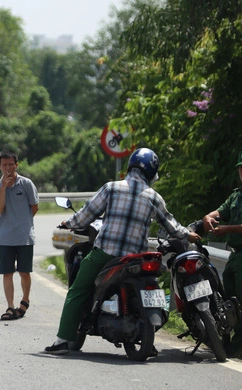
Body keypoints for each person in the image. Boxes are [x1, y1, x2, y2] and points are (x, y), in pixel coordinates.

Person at [44, 148, 202, 355]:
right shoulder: (154, 197)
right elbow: (172, 226)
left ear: (130, 165)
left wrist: (69, 222)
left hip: (106, 253)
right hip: (136, 257)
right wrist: (188, 234)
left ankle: (62, 341)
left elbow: (86, 215)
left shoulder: (111, 188)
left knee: (78, 289)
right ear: (151, 172)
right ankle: (147, 336)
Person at [0, 151, 39, 321]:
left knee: (24, 272)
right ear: (0, 166)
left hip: (24, 236)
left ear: (16, 165)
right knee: (7, 273)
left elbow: (34, 207)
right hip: (5, 237)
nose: (8, 168)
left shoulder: (26, 184)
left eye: (11, 164)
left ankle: (25, 300)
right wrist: (4, 187)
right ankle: (10, 307)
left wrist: (23, 223)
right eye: (5, 165)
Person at [202, 150, 242, 358]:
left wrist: (227, 230)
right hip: (234, 255)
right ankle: (232, 340)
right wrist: (209, 217)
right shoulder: (236, 195)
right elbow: (220, 212)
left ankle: (239, 345)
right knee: (229, 300)